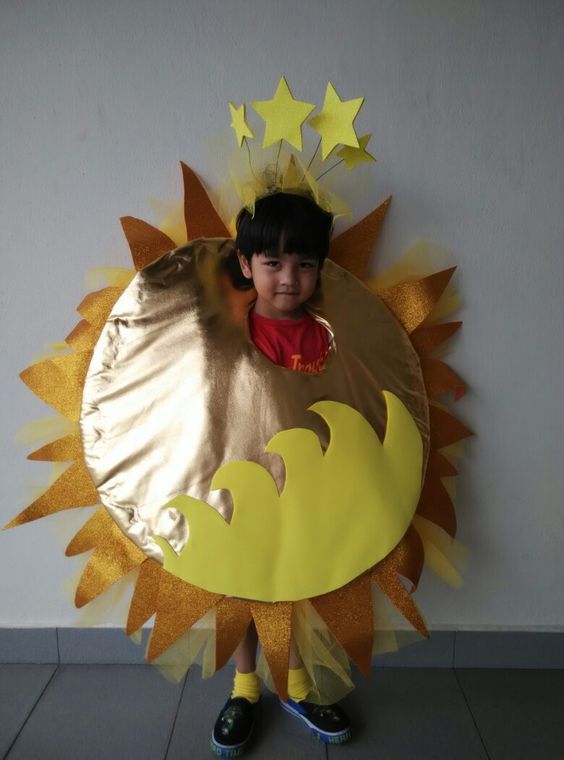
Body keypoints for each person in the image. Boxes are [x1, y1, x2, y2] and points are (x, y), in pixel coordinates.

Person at [211, 191, 352, 757]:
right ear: (246, 265)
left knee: (295, 582)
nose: (288, 278)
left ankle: (294, 683)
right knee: (241, 584)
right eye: (272, 263)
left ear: (321, 268)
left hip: (302, 489)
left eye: (304, 264)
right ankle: (245, 686)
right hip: (241, 486)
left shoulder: (326, 337)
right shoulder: (230, 331)